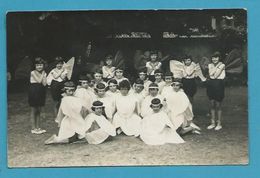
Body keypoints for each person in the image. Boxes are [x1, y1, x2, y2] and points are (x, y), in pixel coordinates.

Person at [206, 51, 225, 131]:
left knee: (218, 105)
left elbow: (216, 75)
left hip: (219, 84)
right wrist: (216, 68)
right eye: (213, 57)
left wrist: (215, 69)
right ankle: (213, 123)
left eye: (216, 57)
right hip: (211, 85)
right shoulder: (210, 65)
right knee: (212, 104)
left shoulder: (223, 65)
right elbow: (211, 74)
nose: (214, 59)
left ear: (219, 58)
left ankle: (219, 123)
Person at [28, 57, 47, 134]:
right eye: (38, 65)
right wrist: (43, 74)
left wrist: (44, 76)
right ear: (35, 66)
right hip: (34, 91)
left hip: (41, 91)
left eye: (41, 65)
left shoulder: (44, 73)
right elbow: (39, 81)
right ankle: (33, 128)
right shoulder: (32, 72)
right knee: (33, 110)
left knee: (39, 110)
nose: (39, 67)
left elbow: (44, 84)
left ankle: (38, 127)